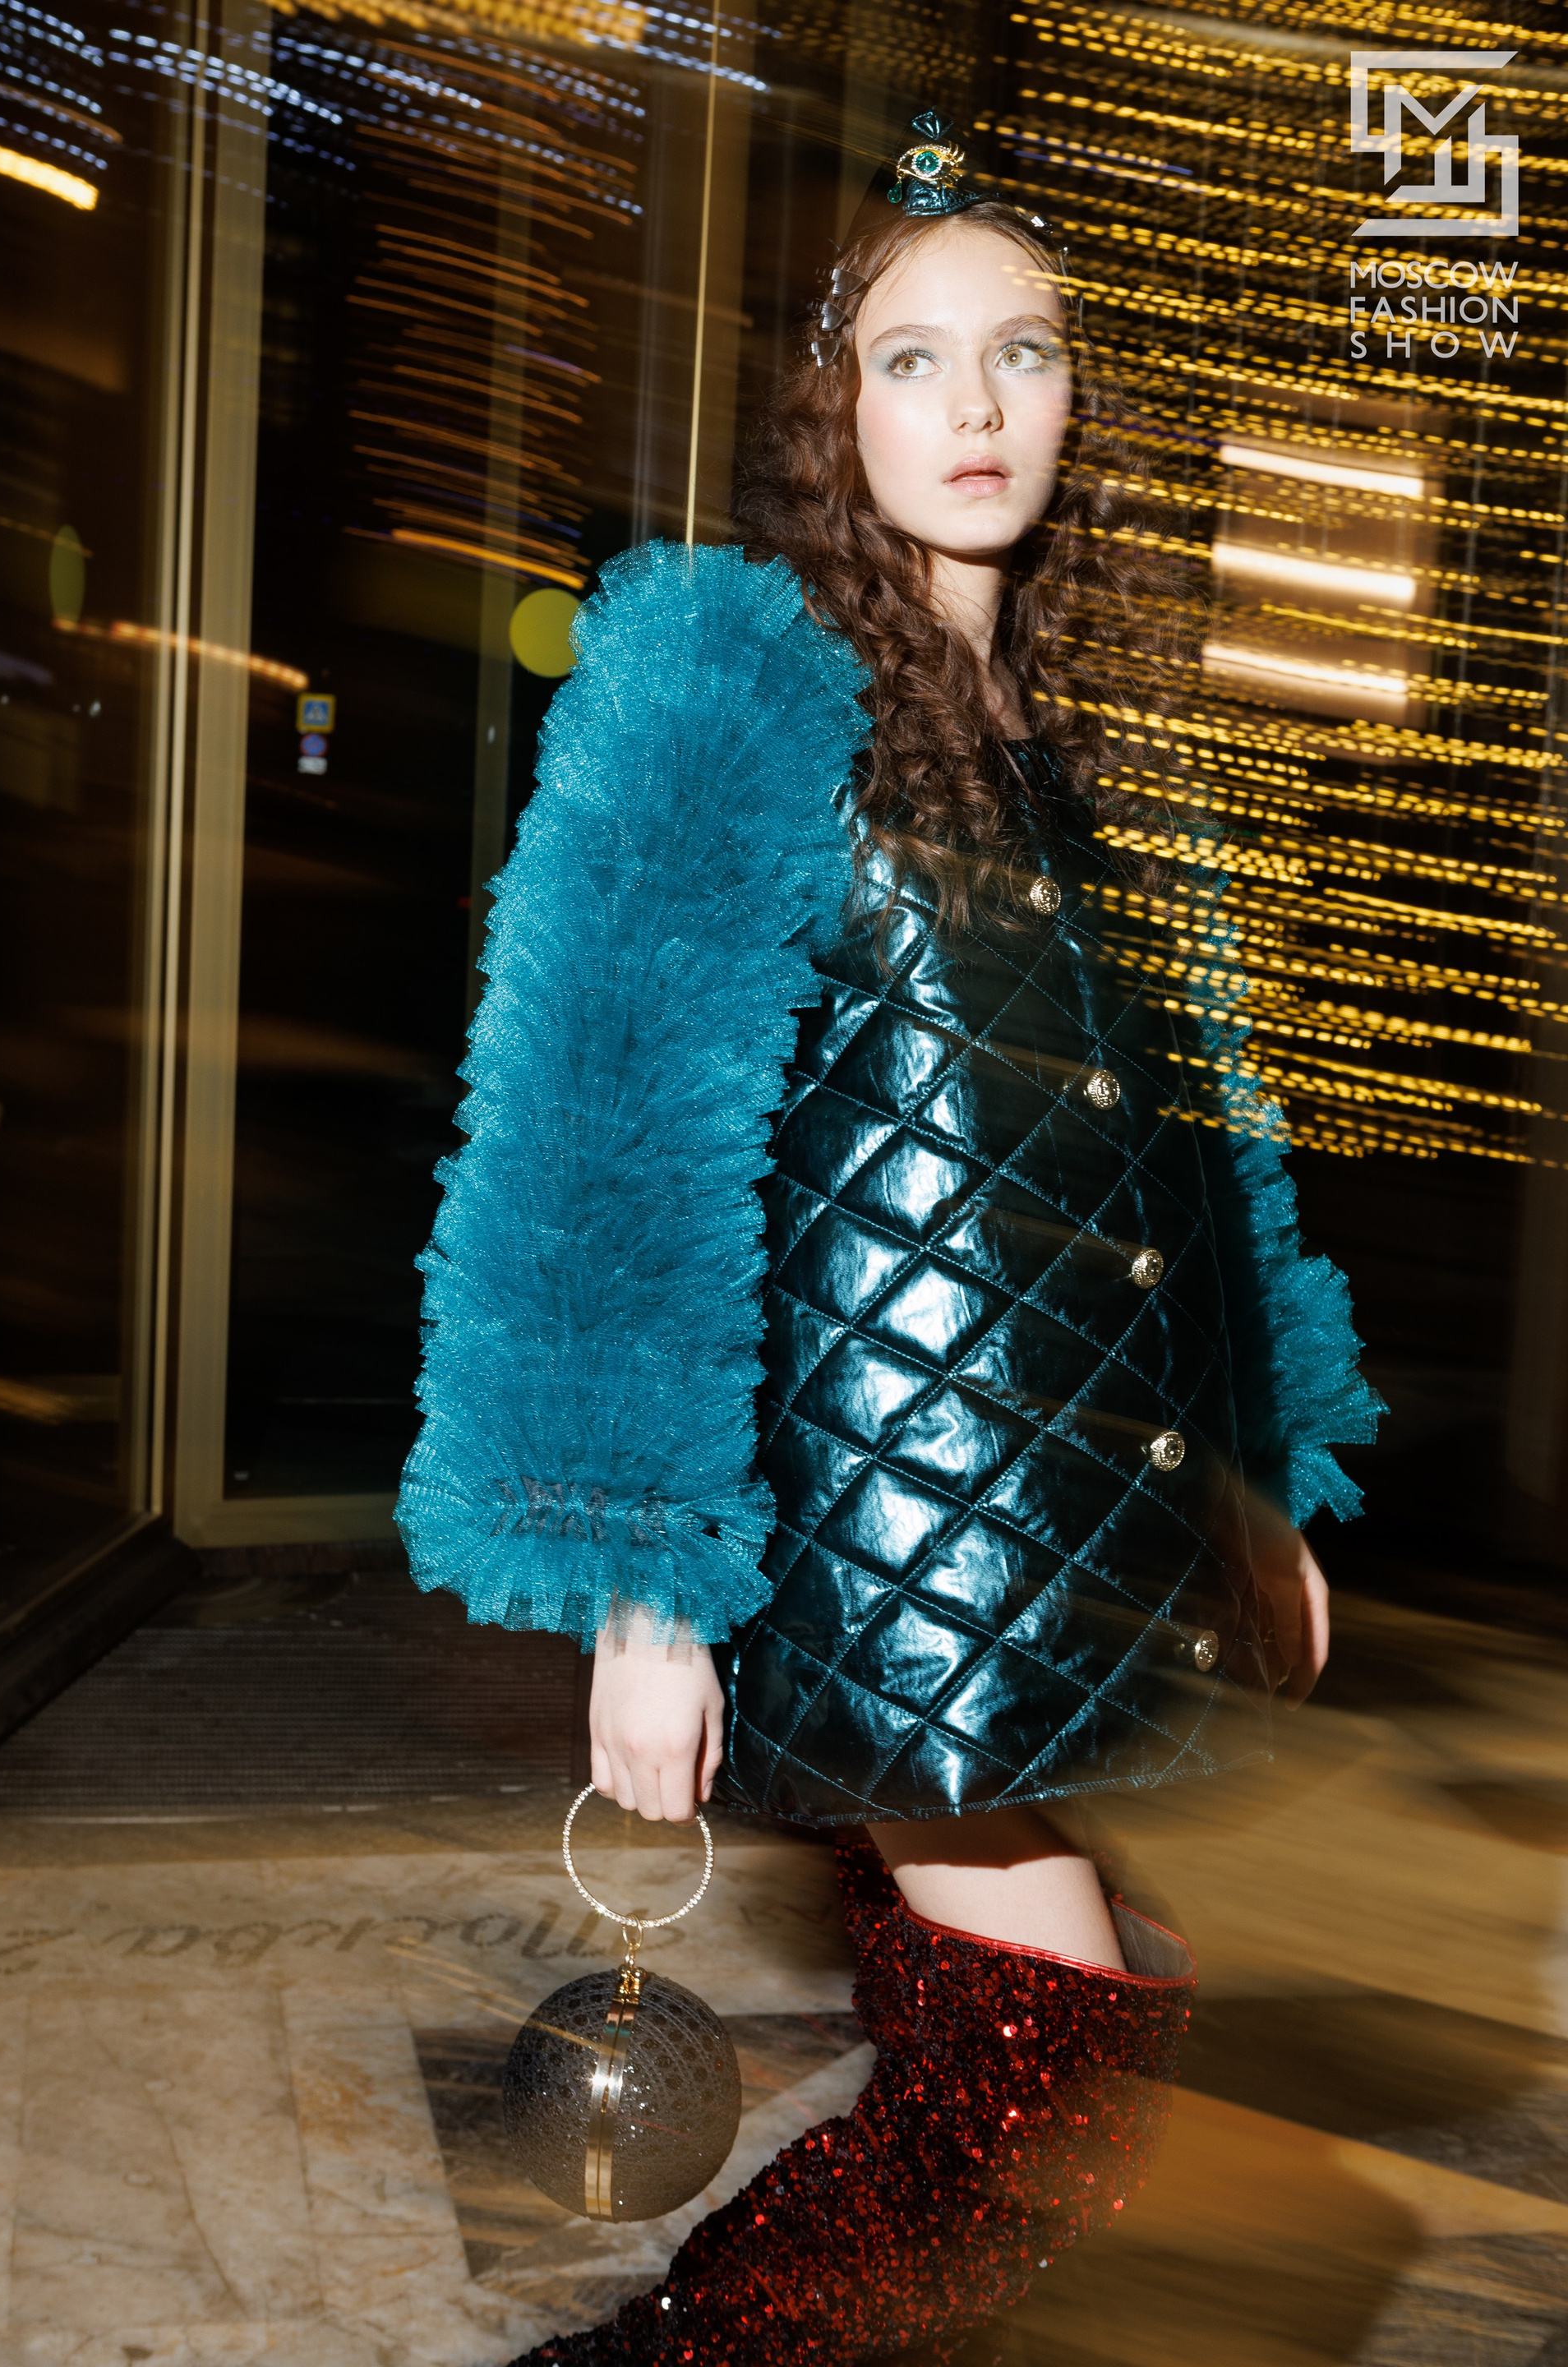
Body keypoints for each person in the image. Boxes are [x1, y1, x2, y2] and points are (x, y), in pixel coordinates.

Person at [397, 111, 1381, 2367]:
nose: (975, 405)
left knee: (1013, 2057)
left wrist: (1258, 1476)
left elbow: (1180, 1157)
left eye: (1023, 351)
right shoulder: (727, 687)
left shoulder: (1084, 729)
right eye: (914, 358)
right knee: (1053, 2091)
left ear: (1079, 397)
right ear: (831, 408)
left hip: (1052, 1517)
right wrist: (644, 1581)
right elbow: (598, 1135)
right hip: (864, 1521)